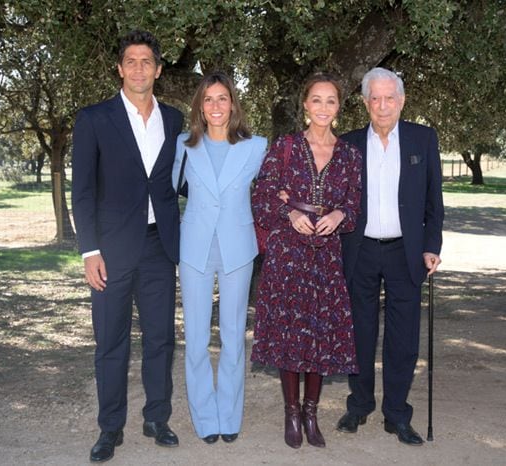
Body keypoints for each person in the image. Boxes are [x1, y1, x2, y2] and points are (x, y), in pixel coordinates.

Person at [72, 30, 183, 462]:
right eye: (130, 61)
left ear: (158, 69)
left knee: (160, 340)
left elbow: (180, 179)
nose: (139, 68)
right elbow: (81, 191)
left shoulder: (173, 120)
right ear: (120, 69)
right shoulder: (94, 118)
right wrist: (89, 250)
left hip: (159, 248)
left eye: (147, 61)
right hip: (110, 253)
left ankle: (157, 418)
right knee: (110, 342)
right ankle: (110, 427)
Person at [251, 72, 362, 449]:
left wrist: (338, 216)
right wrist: (290, 215)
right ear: (305, 104)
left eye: (331, 100)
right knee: (289, 334)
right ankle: (292, 412)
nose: (323, 107)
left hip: (326, 256)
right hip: (288, 254)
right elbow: (263, 196)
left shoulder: (349, 155)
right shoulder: (284, 146)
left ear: (338, 108)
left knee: (319, 334)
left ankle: (312, 413)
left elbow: (354, 205)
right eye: (317, 99)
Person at [335, 67, 444, 446]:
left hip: (406, 252)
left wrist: (432, 246)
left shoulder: (423, 139)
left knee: (403, 338)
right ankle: (359, 404)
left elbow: (435, 201)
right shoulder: (347, 143)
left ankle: (396, 414)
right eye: (375, 99)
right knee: (359, 334)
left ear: (402, 101)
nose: (383, 106)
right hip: (360, 250)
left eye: (390, 98)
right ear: (365, 103)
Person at [172, 72, 267, 445]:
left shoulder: (257, 146)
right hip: (194, 248)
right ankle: (204, 418)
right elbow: (167, 190)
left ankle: (229, 416)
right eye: (208, 99)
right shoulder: (182, 145)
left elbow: (273, 191)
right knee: (195, 338)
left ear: (233, 103)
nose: (215, 106)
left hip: (237, 249)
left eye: (222, 98)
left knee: (232, 337)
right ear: (199, 105)